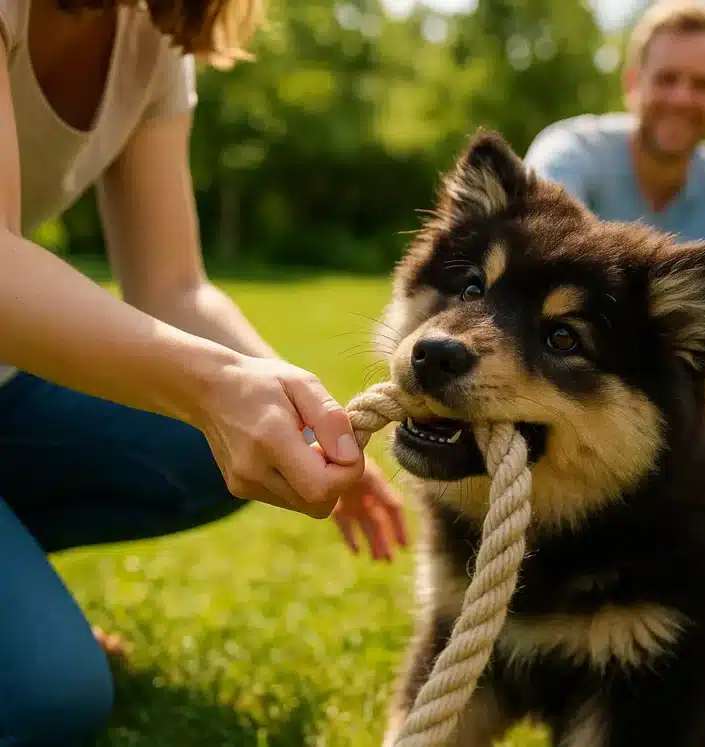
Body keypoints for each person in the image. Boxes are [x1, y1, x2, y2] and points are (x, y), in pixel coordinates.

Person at [0, 0, 407, 743]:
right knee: (48, 693)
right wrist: (214, 384)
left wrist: (295, 399)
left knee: (197, 448)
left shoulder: (150, 35)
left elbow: (172, 285)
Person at [522, 1, 705, 398]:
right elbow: (537, 271)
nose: (680, 98)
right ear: (632, 84)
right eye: (666, 78)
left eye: (701, 85)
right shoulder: (567, 155)